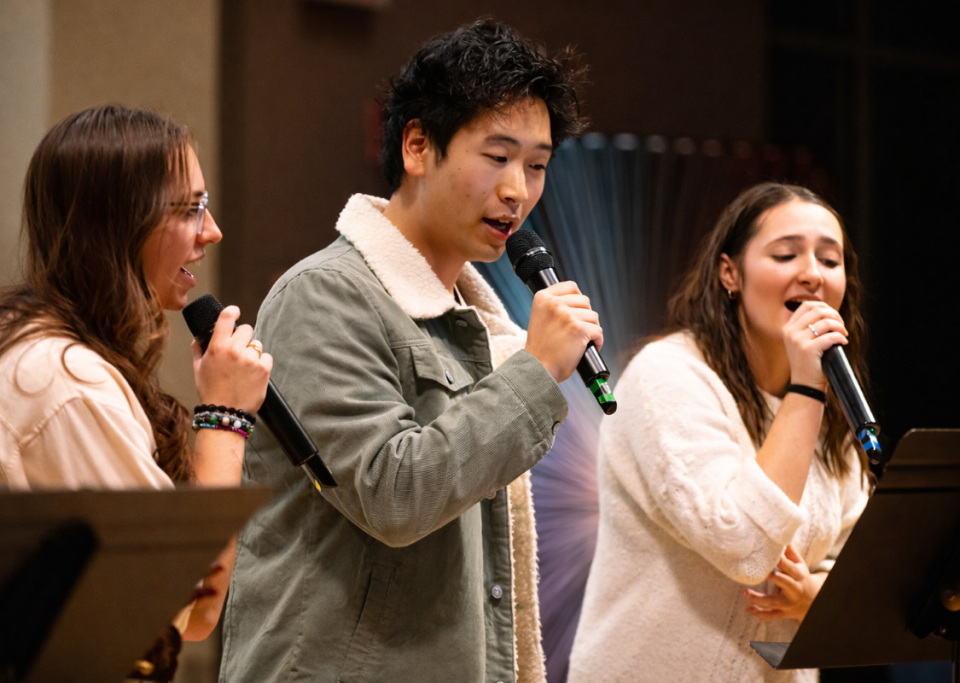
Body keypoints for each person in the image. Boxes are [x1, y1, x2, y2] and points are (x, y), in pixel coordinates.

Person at [220, 20, 597, 683]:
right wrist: (536, 371)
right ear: (418, 145)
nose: (518, 189)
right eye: (498, 156)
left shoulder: (477, 323)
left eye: (537, 165)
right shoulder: (325, 295)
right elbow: (394, 496)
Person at [0, 105, 272, 644]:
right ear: (117, 224)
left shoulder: (12, 342)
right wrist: (225, 415)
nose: (212, 231)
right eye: (190, 209)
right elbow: (188, 606)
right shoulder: (65, 383)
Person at [567, 182, 872, 683]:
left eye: (830, 260)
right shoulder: (667, 375)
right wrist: (806, 390)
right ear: (730, 273)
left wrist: (814, 595)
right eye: (786, 254)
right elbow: (745, 546)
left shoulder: (830, 406)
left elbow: (865, 562)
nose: (812, 274)